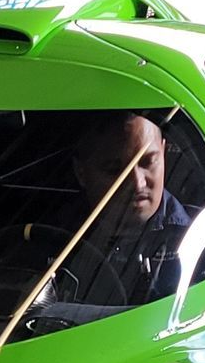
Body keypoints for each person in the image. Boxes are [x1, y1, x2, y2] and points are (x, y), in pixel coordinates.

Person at [60, 112, 190, 308]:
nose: (137, 183)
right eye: (114, 170)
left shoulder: (199, 241)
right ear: (81, 172)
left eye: (147, 162)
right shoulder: (54, 237)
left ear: (164, 152)